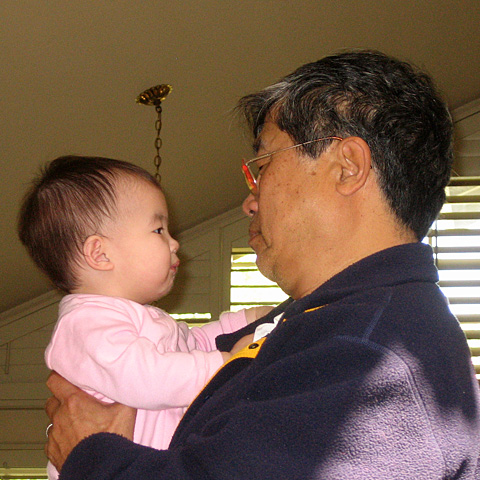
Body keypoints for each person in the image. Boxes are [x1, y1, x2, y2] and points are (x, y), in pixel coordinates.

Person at [45, 50, 480, 479]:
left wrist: (89, 457)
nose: (249, 201)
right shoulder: (321, 323)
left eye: (264, 164)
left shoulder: (374, 357)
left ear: (347, 167)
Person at [17, 155, 271, 479]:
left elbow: (194, 341)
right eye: (159, 229)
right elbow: (144, 376)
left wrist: (247, 319)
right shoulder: (84, 324)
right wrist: (223, 366)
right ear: (100, 253)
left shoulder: (139, 318)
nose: (175, 242)